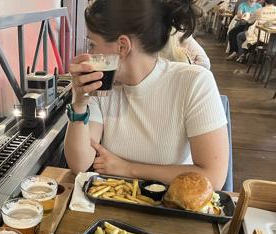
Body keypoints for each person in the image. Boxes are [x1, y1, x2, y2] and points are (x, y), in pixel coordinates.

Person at [64, 0, 229, 190]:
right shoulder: (101, 86)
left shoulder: (194, 82)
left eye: (92, 45)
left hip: (172, 206)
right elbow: (79, 164)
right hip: (114, 202)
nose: (89, 54)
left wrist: (128, 169)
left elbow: (213, 177)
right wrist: (79, 102)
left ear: (122, 47)